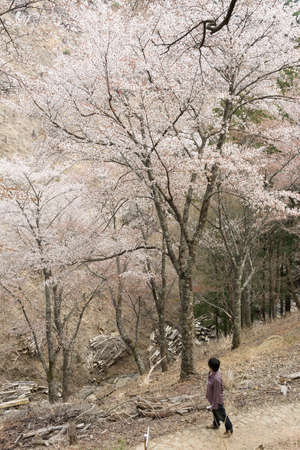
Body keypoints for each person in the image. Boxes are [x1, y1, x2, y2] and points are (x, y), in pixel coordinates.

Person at [206, 357, 233, 437]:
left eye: (209, 366)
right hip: (212, 400)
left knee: (223, 415)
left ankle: (229, 430)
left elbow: (217, 394)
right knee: (215, 413)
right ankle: (216, 424)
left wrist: (214, 405)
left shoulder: (216, 379)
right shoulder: (212, 373)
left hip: (217, 401)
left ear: (211, 367)